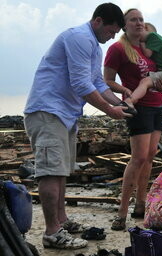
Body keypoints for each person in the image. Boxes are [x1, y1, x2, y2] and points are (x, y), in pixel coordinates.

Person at [23, 3, 127, 249]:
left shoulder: (94, 46)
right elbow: (81, 84)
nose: (112, 37)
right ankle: (51, 233)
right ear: (98, 21)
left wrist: (122, 104)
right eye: (111, 31)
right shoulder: (79, 38)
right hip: (48, 110)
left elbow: (97, 83)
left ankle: (61, 220)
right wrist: (110, 111)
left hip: (65, 114)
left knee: (61, 171)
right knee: (50, 171)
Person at [103, 8, 162, 231]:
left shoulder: (149, 48)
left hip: (157, 105)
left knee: (150, 156)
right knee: (138, 158)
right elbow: (106, 80)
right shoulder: (118, 48)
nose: (139, 22)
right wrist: (125, 90)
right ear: (125, 25)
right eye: (133, 20)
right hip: (137, 108)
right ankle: (121, 212)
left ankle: (141, 205)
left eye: (141, 19)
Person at [122, 22, 162, 109]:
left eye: (140, 32)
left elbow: (147, 54)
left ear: (146, 28)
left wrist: (143, 43)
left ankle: (130, 101)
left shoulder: (153, 36)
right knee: (146, 82)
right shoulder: (155, 41)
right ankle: (134, 99)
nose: (139, 38)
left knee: (145, 82)